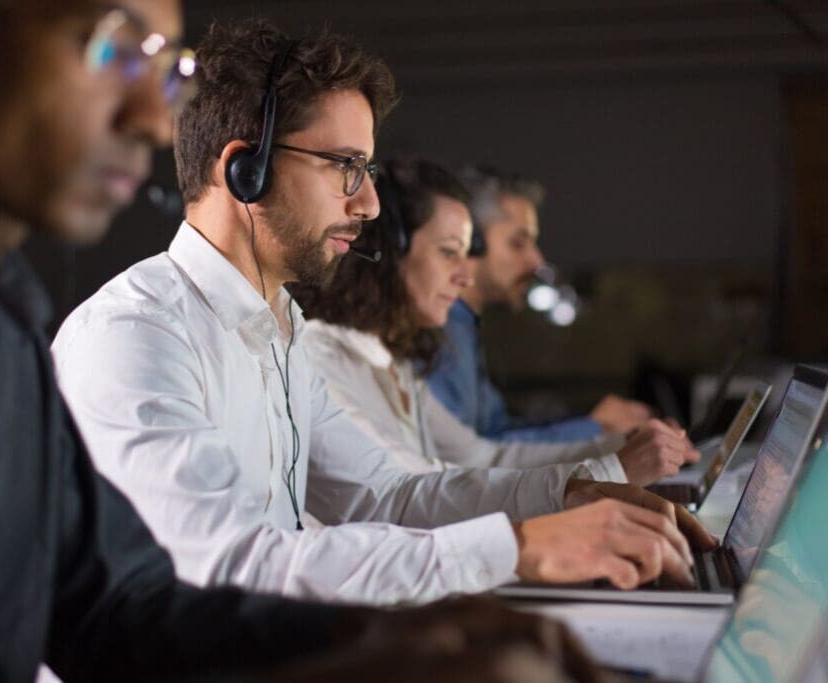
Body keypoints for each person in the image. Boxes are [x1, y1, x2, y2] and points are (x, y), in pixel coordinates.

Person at [0, 1, 607, 681]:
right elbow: (215, 570)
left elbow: (121, 609)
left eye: (162, 66)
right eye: (109, 45)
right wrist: (509, 552)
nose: (153, 118)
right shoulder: (127, 335)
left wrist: (403, 640)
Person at [52, 18, 714, 610]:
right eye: (345, 166)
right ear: (244, 171)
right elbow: (229, 567)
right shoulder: (136, 336)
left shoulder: (281, 329)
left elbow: (388, 495)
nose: (368, 203)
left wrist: (575, 495)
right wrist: (518, 548)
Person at [294, 158, 699, 487]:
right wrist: (609, 468)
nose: (466, 275)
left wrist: (616, 448)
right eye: (450, 252)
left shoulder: (393, 361)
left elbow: (483, 457)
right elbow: (410, 493)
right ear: (389, 252)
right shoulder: (324, 357)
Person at [426, 166, 654, 442]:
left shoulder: (464, 327)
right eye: (518, 243)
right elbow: (466, 456)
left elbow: (495, 430)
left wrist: (594, 423)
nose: (537, 261)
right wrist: (594, 428)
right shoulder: (437, 328)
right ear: (470, 241)